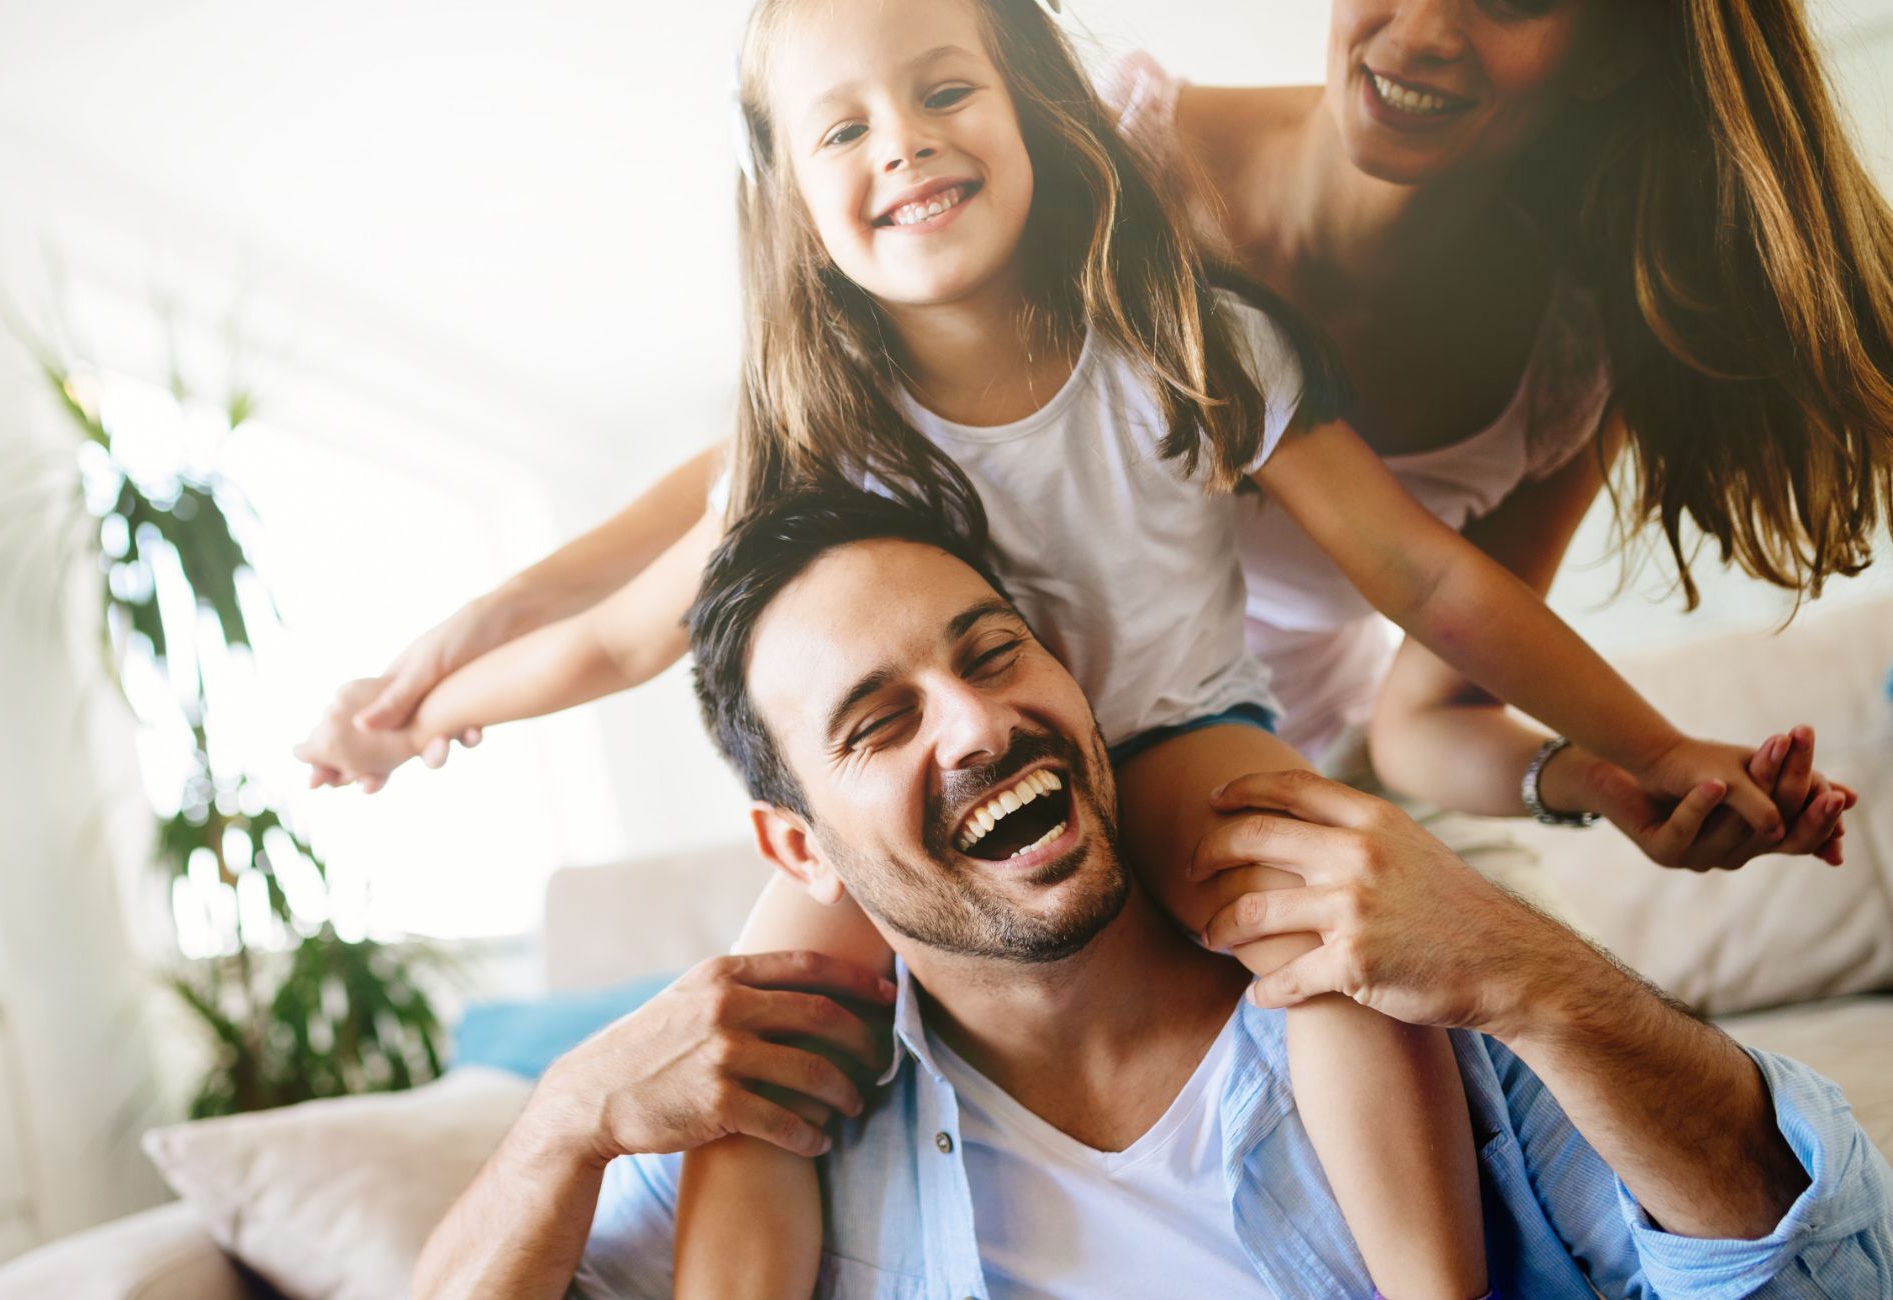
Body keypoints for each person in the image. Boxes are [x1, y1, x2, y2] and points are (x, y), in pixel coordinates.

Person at [300, 0, 1851, 1295]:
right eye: (840, 129)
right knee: (764, 1051)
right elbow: (618, 639)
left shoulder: (1183, 334)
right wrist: (427, 709)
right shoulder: (825, 428)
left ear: (1037, 109)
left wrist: (1652, 752)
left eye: (943, 88)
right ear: (788, 195)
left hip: (1178, 732)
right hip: (944, 817)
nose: (901, 138)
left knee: (1325, 928)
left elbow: (1434, 587)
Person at [408, 488, 1892, 1299]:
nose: (976, 724)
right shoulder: (777, 1130)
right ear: (796, 850)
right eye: (878, 722)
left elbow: (1809, 1271)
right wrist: (557, 1129)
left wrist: (1529, 976)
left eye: (992, 654)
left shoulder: (1405, 1001)